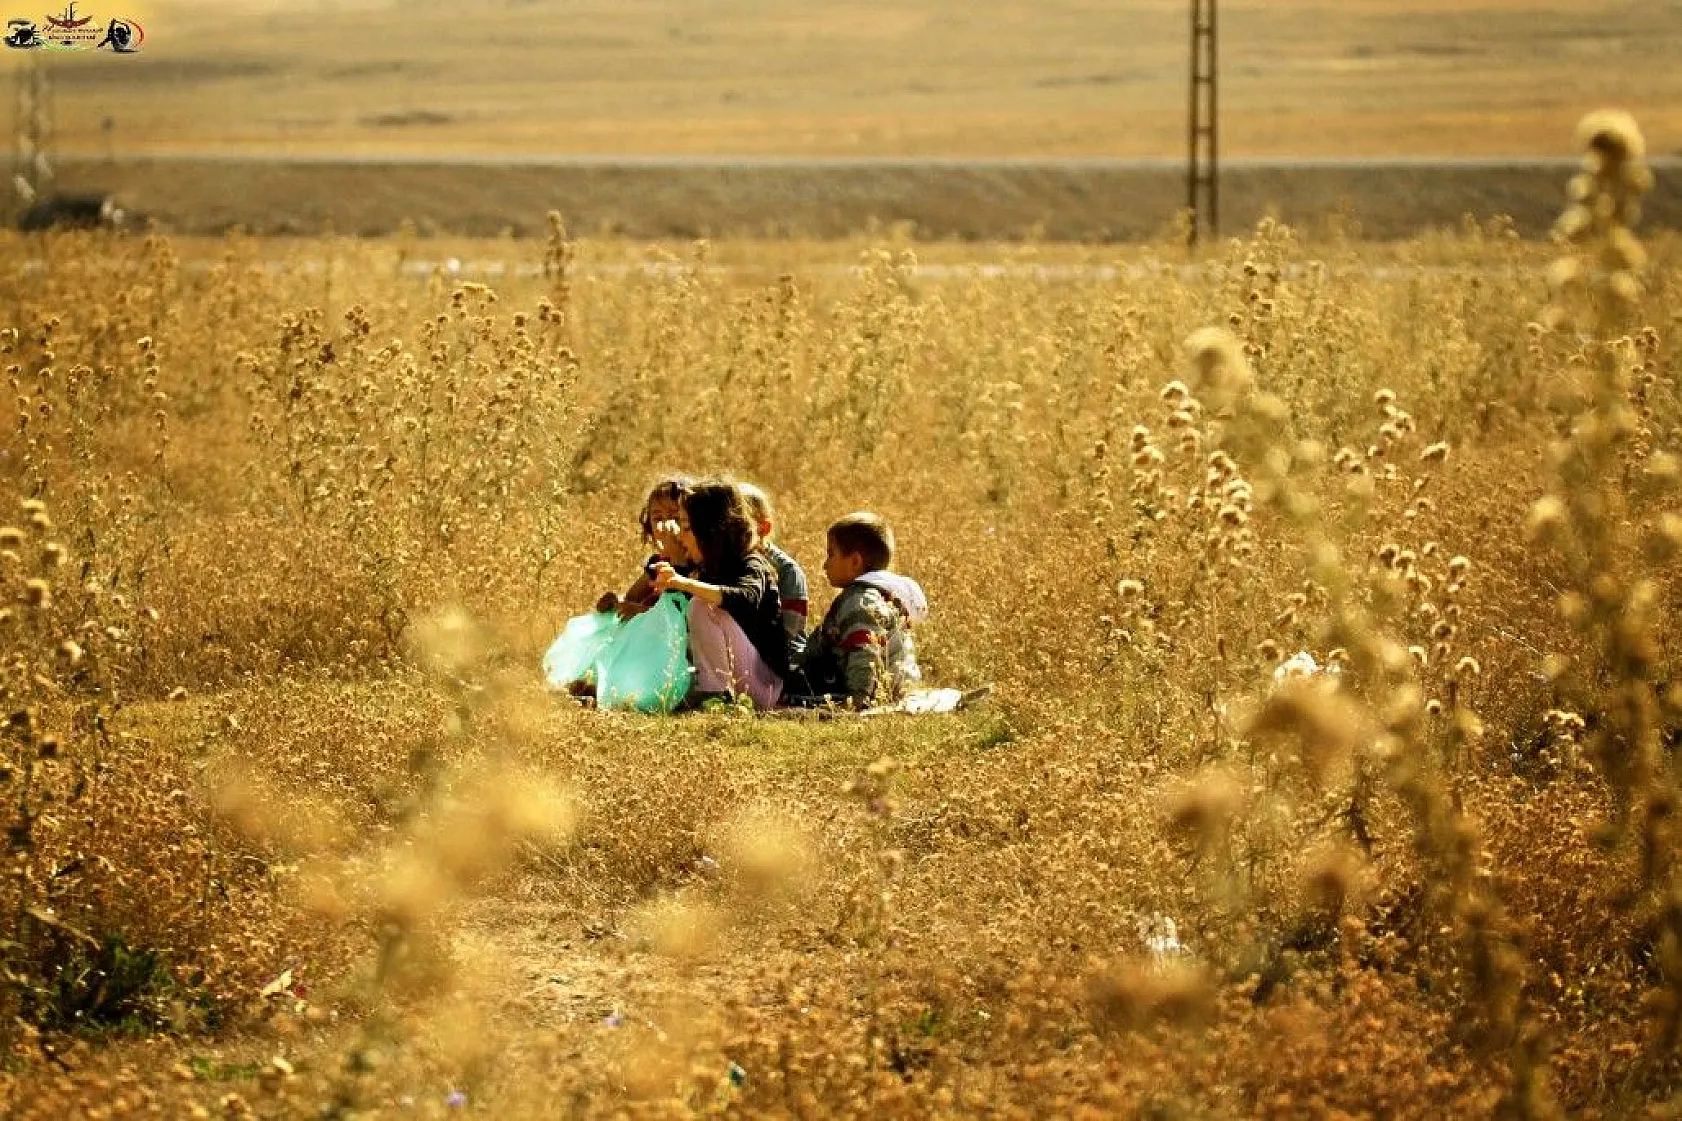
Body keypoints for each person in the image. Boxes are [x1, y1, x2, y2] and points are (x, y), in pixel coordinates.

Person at [651, 481, 788, 709]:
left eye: (686, 528)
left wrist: (685, 584)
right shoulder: (710, 566)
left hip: (765, 686)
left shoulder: (751, 563)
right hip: (743, 679)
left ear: (709, 531)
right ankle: (710, 689)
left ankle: (715, 693)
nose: (682, 537)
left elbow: (745, 598)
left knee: (701, 606)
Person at [793, 512, 928, 707]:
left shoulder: (860, 601)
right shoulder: (883, 595)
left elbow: (864, 653)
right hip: (900, 688)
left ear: (855, 561)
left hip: (873, 694)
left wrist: (858, 700)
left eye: (831, 554)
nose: (824, 564)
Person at [598, 474, 695, 622]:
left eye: (675, 518)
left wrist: (678, 558)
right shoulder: (657, 563)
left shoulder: (696, 566)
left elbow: (681, 616)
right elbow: (632, 598)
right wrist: (615, 602)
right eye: (657, 519)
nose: (665, 526)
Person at [736, 481, 810, 662]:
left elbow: (788, 632)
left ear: (763, 528)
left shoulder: (787, 571)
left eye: (738, 524)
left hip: (785, 660)